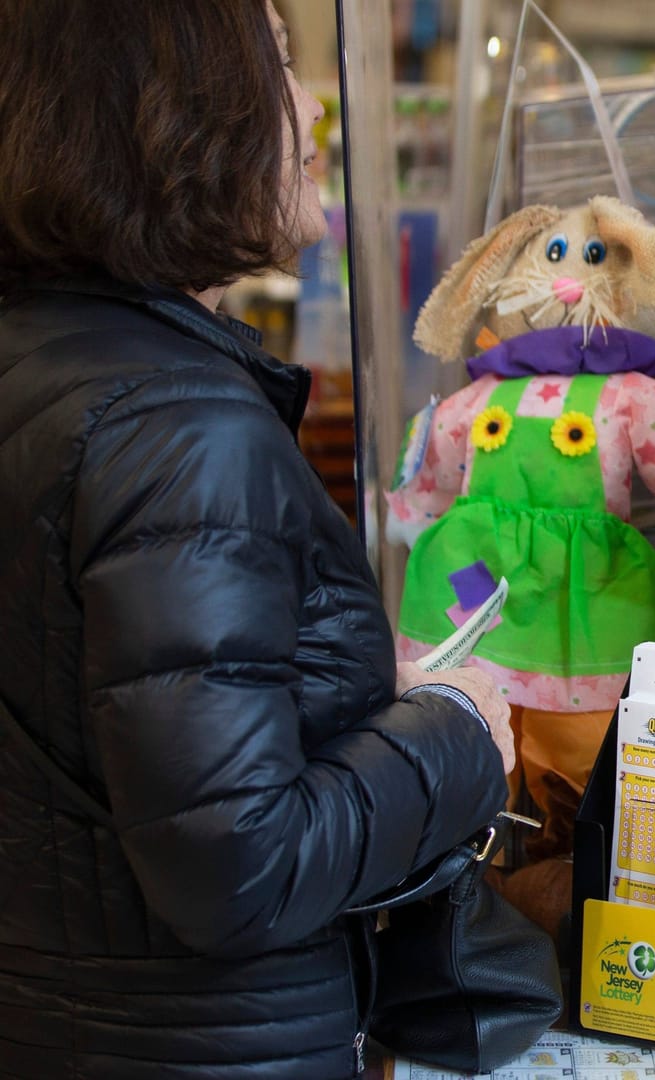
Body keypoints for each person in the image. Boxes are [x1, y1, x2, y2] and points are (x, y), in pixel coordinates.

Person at [0, 3, 516, 1076]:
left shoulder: (50, 367)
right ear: (178, 109)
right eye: (282, 63)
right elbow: (239, 868)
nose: (314, 107)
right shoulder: (179, 425)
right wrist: (459, 733)